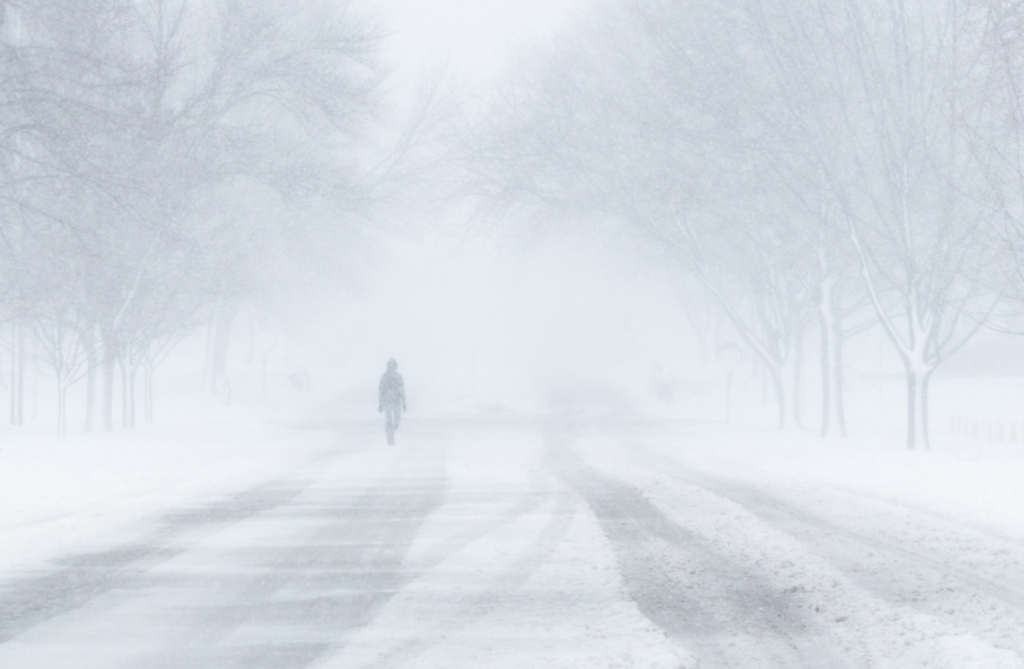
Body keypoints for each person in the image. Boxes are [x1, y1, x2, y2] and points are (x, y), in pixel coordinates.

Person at [378, 358, 406, 445]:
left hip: (397, 402)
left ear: (395, 367)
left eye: (393, 366)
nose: (391, 368)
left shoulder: (398, 377)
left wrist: (404, 402)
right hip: (387, 402)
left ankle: (391, 434)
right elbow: (381, 391)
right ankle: (390, 441)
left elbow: (402, 390)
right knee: (388, 421)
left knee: (397, 421)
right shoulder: (384, 377)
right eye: (389, 366)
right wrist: (381, 403)